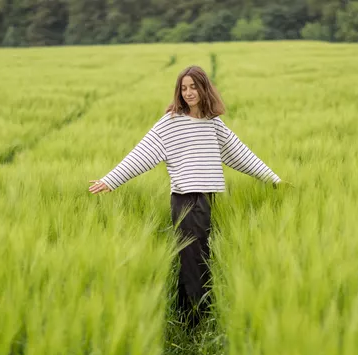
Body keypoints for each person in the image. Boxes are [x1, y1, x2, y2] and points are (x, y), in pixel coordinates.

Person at [89, 64, 282, 329]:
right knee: (195, 259)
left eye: (193, 87)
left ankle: (185, 319)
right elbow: (142, 154)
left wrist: (273, 179)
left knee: (193, 257)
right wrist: (110, 180)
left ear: (204, 89)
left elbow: (240, 155)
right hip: (186, 199)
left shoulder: (213, 124)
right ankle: (197, 323)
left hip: (207, 198)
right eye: (184, 88)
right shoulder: (170, 123)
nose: (189, 93)